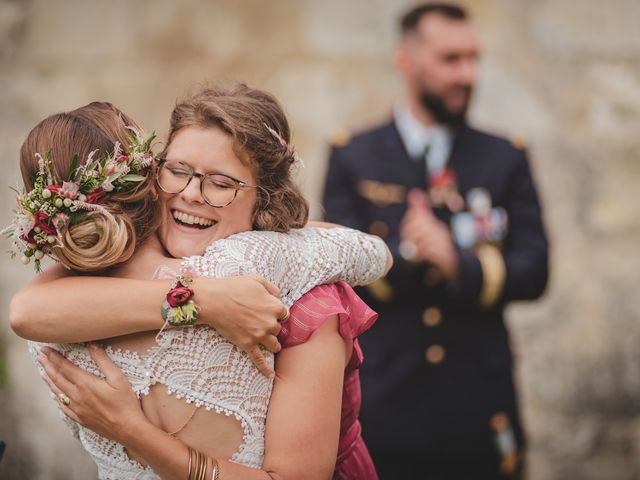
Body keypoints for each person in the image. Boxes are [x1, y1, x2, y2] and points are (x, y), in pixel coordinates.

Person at [9, 86, 389, 479]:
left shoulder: (309, 298)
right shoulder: (95, 285)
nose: (190, 194)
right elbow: (25, 311)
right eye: (176, 171)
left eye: (221, 184)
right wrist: (203, 299)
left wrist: (131, 430)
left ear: (267, 198)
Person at [323, 3, 549, 479]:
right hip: (386, 406)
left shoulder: (505, 157)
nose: (467, 74)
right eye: (451, 59)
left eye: (472, 58)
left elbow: (535, 268)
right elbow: (338, 272)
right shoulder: (353, 156)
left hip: (478, 405)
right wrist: (401, 255)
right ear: (406, 59)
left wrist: (458, 262)